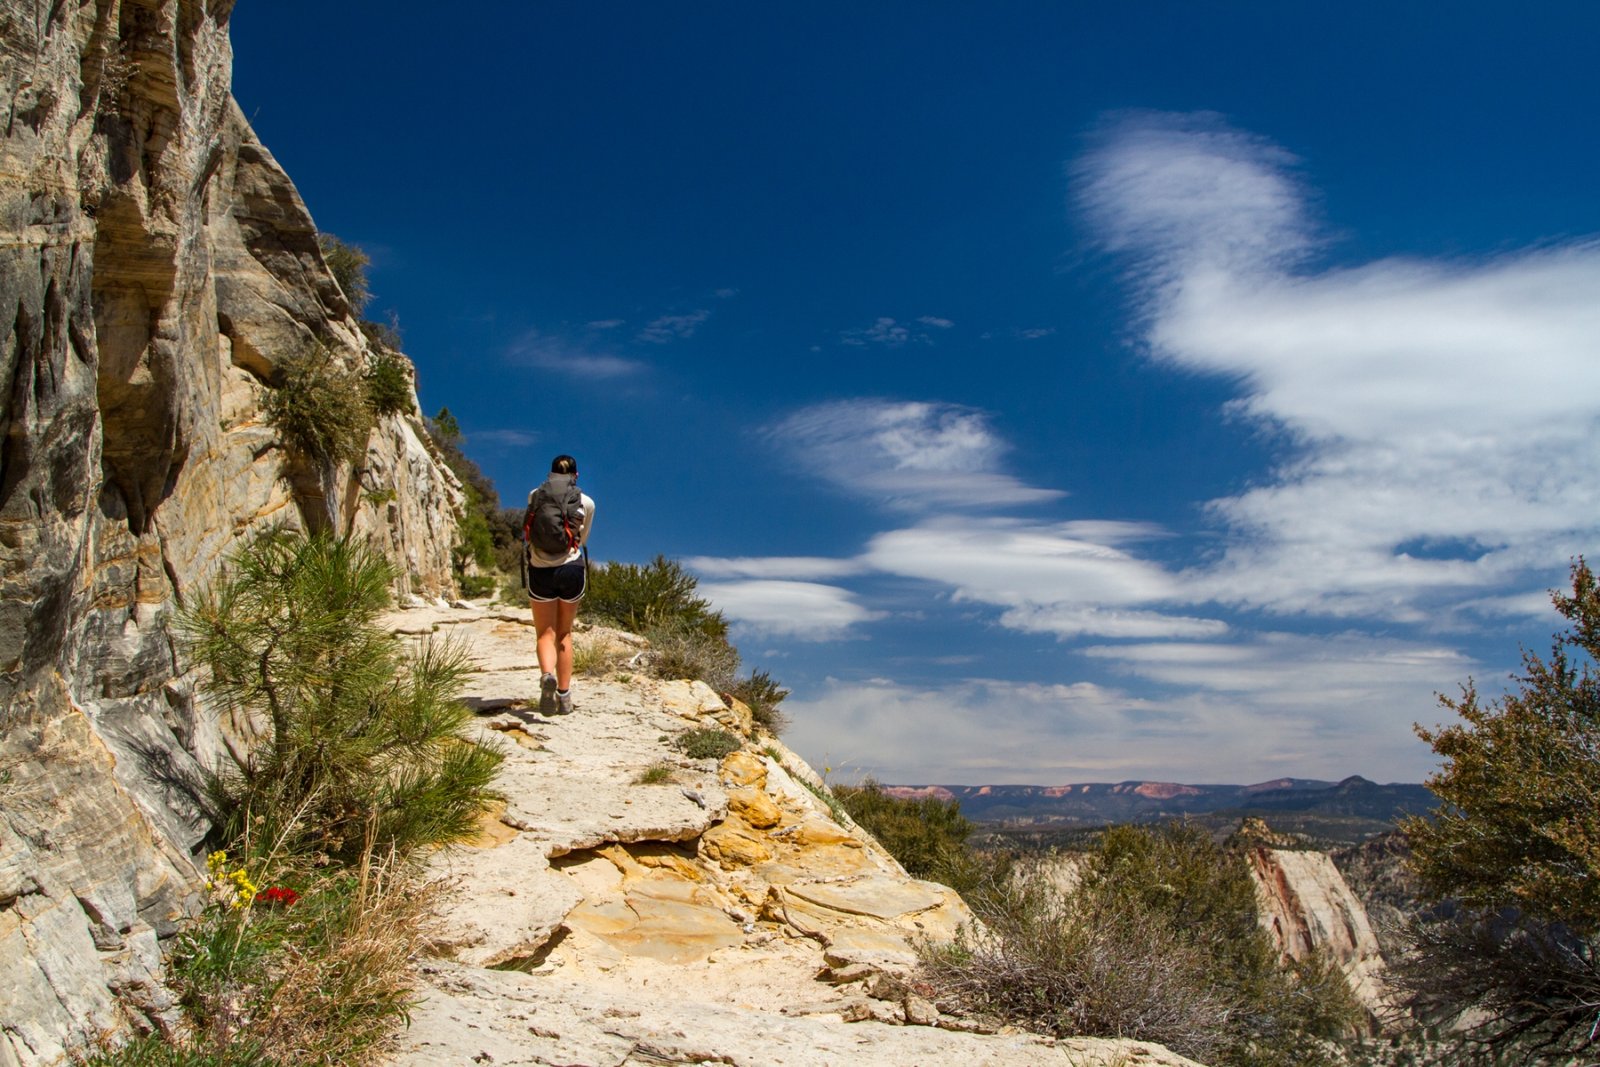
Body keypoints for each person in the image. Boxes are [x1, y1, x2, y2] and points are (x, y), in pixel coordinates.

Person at [523, 454, 595, 715]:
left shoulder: (535, 495)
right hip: (571, 570)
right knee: (564, 633)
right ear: (576, 475)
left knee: (545, 633)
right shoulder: (586, 502)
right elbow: (582, 539)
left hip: (540, 569)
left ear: (550, 473)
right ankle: (564, 697)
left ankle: (546, 676)